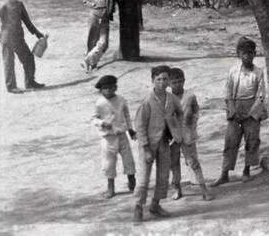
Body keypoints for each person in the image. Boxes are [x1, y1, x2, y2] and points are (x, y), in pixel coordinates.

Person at [213, 36, 269, 185]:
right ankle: (224, 173)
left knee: (252, 141)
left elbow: (261, 95)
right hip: (235, 108)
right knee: (230, 140)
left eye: (250, 53)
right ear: (238, 54)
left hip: (252, 109)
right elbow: (228, 92)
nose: (247, 56)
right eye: (243, 53)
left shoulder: (258, 72)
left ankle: (247, 170)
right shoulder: (233, 72)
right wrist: (232, 110)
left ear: (254, 54)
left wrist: (251, 113)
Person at [133, 65, 183, 221]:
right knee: (143, 178)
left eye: (165, 79)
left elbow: (180, 114)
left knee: (163, 176)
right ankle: (138, 207)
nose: (162, 82)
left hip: (164, 143)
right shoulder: (147, 101)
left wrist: (174, 131)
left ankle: (155, 204)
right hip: (148, 144)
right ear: (153, 81)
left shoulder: (172, 99)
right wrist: (146, 148)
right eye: (158, 79)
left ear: (169, 81)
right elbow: (140, 126)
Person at [167, 67, 212, 201]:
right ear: (169, 83)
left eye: (180, 81)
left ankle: (204, 189)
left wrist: (192, 126)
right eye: (174, 82)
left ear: (184, 81)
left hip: (187, 134)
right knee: (174, 163)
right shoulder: (166, 98)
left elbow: (196, 113)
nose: (177, 85)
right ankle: (177, 188)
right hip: (172, 136)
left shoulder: (190, 96)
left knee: (193, 162)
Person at [90, 74, 136, 199]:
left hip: (122, 135)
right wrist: (102, 123)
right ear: (101, 90)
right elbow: (93, 118)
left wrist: (130, 129)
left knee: (128, 159)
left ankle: (132, 180)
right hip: (108, 137)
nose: (108, 90)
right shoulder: (100, 103)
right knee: (109, 162)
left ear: (115, 87)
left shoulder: (121, 100)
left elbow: (126, 114)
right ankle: (110, 185)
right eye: (105, 88)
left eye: (111, 87)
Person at [0, 0, 47, 93]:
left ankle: (30, 82)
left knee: (28, 58)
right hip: (7, 39)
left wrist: (37, 33)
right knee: (9, 62)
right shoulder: (3, 7)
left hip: (19, 38)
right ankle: (11, 87)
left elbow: (27, 21)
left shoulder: (20, 5)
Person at [80, 0, 117, 72]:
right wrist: (88, 3)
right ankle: (92, 64)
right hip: (95, 15)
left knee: (104, 43)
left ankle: (87, 60)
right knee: (92, 40)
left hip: (105, 18)